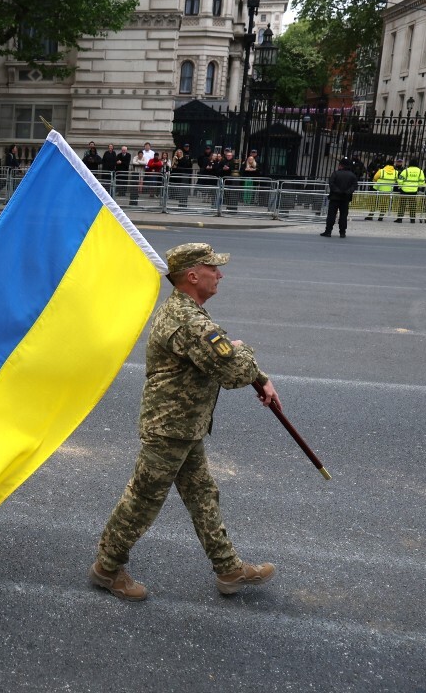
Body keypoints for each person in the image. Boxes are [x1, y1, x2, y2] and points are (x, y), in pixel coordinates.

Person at [90, 243, 279, 602]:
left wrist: (257, 373)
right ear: (192, 276)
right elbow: (234, 370)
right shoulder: (189, 321)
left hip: (184, 426)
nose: (220, 275)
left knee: (202, 494)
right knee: (143, 499)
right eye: (213, 268)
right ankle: (107, 568)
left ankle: (228, 568)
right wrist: (244, 352)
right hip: (170, 428)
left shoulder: (186, 312)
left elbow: (222, 359)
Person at [321, 157, 359, 238]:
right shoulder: (352, 175)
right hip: (345, 198)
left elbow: (331, 184)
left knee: (331, 215)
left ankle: (328, 231)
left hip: (335, 197)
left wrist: (338, 191)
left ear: (341, 165)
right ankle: (342, 232)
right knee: (343, 216)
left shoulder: (335, 173)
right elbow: (354, 186)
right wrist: (347, 191)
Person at [394, 158, 425, 223]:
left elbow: (400, 180)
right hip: (414, 190)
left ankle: (399, 219)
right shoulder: (420, 171)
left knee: (402, 205)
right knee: (413, 205)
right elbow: (422, 181)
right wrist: (417, 186)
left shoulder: (405, 171)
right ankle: (412, 219)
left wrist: (401, 185)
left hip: (404, 190)